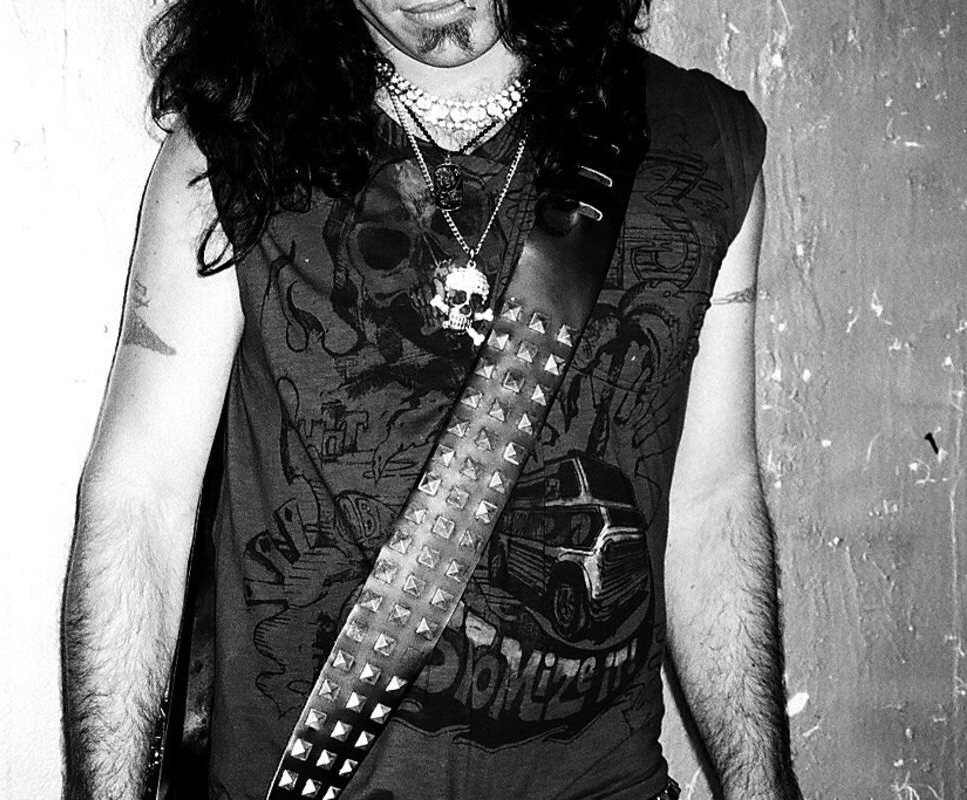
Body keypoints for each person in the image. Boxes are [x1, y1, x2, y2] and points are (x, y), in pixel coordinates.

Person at [61, 1, 803, 799]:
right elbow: (142, 499)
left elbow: (712, 498)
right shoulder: (233, 150)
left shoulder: (701, 141)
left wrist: (761, 789)